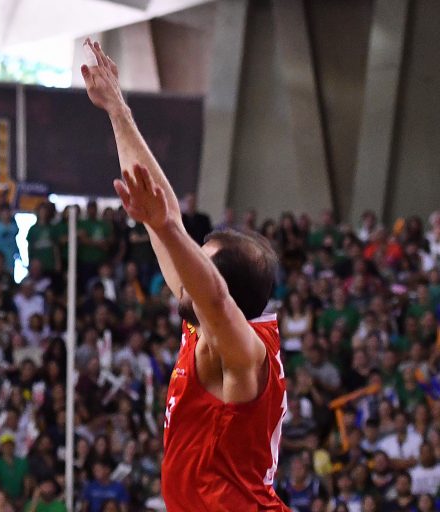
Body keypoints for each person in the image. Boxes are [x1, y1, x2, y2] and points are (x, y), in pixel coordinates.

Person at [82, 38, 288, 510]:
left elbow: (212, 295)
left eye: (200, 260)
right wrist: (117, 110)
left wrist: (167, 229)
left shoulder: (243, 351)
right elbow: (167, 208)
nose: (186, 267)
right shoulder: (203, 322)